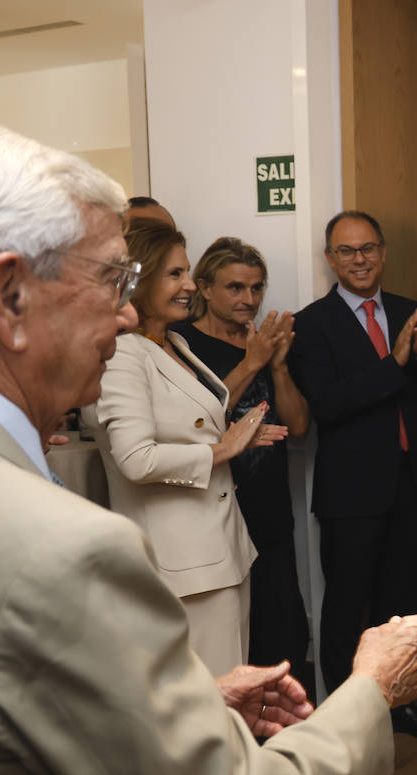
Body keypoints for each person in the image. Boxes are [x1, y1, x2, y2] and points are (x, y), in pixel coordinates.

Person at [0, 116, 417, 775]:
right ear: (10, 296)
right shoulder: (62, 548)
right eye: (111, 281)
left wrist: (173, 706)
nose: (128, 316)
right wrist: (368, 690)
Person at [84, 219, 286, 674]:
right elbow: (136, 460)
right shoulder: (122, 353)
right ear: (137, 280)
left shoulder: (172, 342)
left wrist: (238, 436)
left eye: (187, 273)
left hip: (222, 549)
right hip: (182, 564)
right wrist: (225, 449)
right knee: (207, 706)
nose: (189, 285)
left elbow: (190, 427)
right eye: (175, 274)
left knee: (231, 698)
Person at [289, 210, 417, 740]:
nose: (359, 260)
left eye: (367, 249)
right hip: (352, 494)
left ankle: (401, 705)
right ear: (330, 259)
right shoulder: (311, 324)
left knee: (403, 611)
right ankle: (344, 722)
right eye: (347, 251)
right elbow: (330, 404)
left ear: (383, 253)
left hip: (411, 486)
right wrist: (397, 361)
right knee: (346, 610)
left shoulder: (411, 311)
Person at [174, 236, 313, 672]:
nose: (248, 299)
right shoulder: (180, 345)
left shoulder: (265, 344)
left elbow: (300, 426)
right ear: (205, 288)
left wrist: (278, 365)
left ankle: (278, 731)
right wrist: (252, 362)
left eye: (256, 288)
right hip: (214, 512)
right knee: (228, 639)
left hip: (269, 511)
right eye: (235, 288)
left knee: (282, 633)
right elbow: (198, 422)